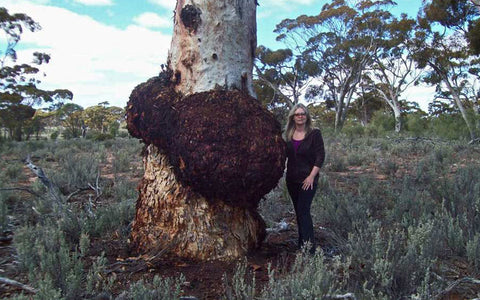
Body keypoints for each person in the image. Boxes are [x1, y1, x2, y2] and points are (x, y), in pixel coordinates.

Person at [284, 103, 325, 253]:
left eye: (303, 114)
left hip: (308, 180)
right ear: (293, 117)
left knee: (303, 211)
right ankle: (302, 246)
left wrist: (311, 177)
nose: (300, 116)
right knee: (298, 212)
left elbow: (320, 156)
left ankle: (309, 250)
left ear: (307, 116)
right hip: (292, 180)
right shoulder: (288, 135)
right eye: (297, 114)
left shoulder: (314, 134)